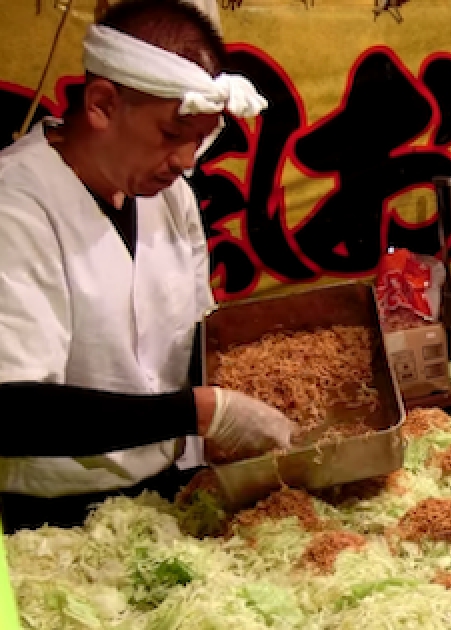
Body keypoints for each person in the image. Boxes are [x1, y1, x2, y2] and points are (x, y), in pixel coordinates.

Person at [0, 0, 293, 532]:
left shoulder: (170, 195)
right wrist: (203, 412)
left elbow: (197, 334)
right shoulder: (15, 206)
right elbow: (13, 411)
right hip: (49, 517)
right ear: (102, 104)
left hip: (170, 491)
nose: (186, 161)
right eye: (171, 134)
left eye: (200, 139)